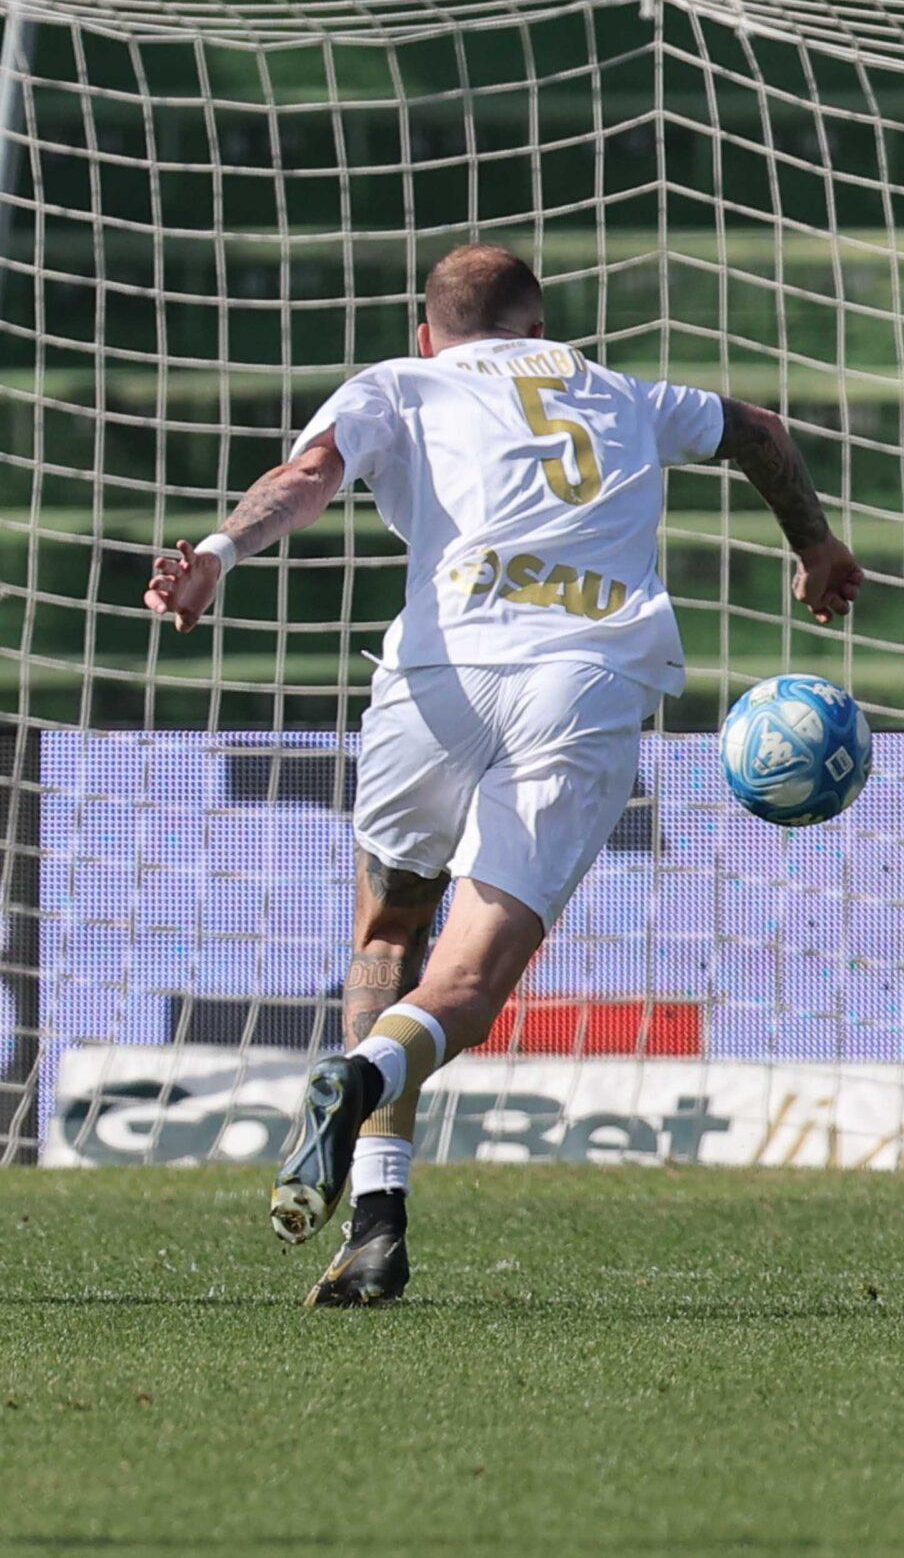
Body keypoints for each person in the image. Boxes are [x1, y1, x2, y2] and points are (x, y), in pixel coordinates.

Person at [143, 243, 862, 1305]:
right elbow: (760, 432)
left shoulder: (399, 382)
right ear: (537, 328)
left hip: (433, 682)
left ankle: (377, 1225)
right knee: (468, 989)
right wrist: (814, 546)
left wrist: (215, 554)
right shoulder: (614, 388)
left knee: (389, 935)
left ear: (427, 333)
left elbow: (305, 479)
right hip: (579, 683)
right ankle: (366, 1086)